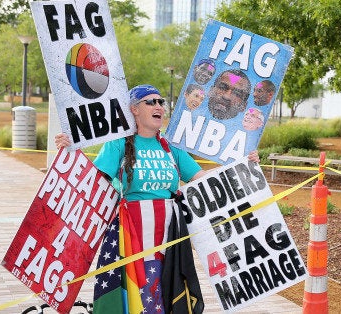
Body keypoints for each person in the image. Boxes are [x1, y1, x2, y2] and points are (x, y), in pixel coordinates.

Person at [55, 84, 259, 314]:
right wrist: (71, 151)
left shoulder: (172, 148)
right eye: (150, 102)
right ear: (134, 109)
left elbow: (202, 178)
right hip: (132, 239)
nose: (158, 106)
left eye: (161, 102)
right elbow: (93, 181)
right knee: (142, 300)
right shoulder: (119, 144)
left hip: (171, 240)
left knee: (167, 296)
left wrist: (243, 166)